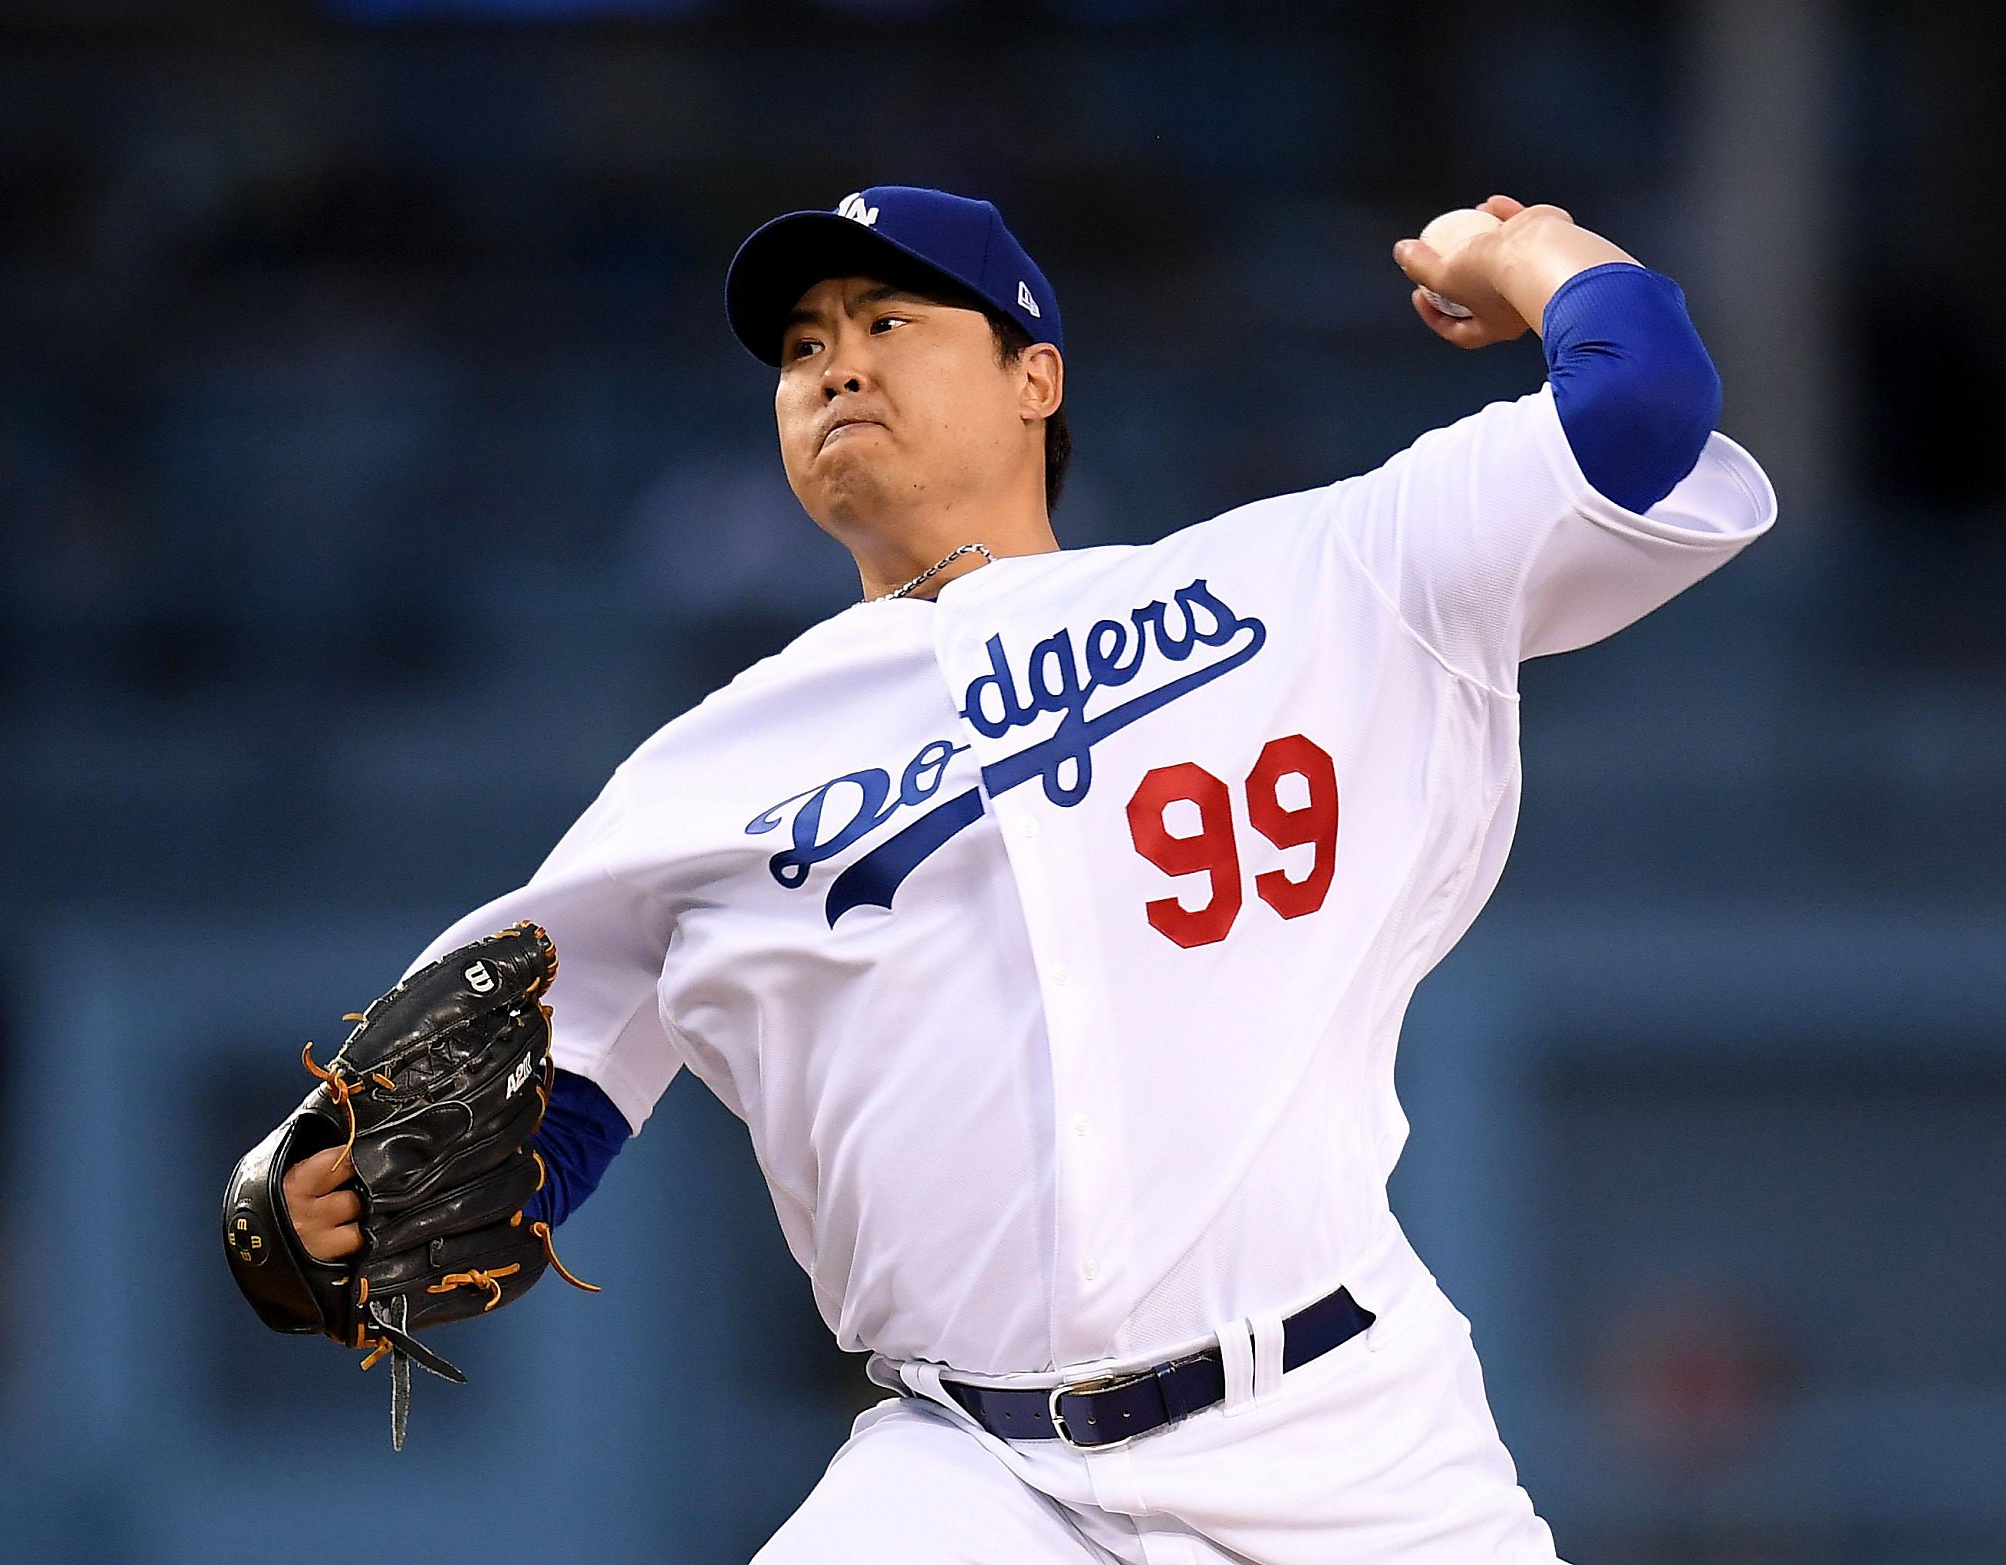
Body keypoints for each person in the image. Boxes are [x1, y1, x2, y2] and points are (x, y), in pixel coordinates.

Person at [282, 185, 1776, 1562]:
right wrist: (310, 1213)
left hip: (1349, 1443)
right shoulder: (707, 772)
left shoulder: (1309, 580)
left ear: (1035, 378)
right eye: (803, 344)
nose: (835, 365)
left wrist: (1530, 251)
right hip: (974, 1480)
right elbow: (522, 1113)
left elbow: (1640, 403)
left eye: (889, 321)